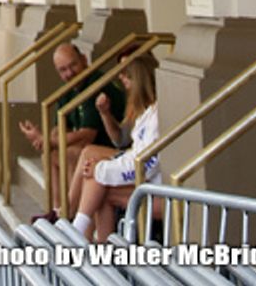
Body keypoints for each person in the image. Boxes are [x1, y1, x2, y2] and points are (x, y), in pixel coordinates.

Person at [17, 41, 127, 215]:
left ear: (84, 59)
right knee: (51, 154)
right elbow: (59, 129)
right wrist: (47, 141)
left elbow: (87, 135)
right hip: (89, 150)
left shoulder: (96, 83)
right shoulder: (69, 88)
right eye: (63, 70)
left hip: (113, 150)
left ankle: (70, 214)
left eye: (73, 65)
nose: (69, 73)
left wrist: (48, 141)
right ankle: (56, 211)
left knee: (70, 152)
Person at [70, 53, 161, 239]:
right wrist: (102, 168)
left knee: (98, 178)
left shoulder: (157, 115)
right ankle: (88, 241)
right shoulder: (145, 112)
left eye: (127, 75)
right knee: (97, 176)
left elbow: (146, 165)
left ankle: (75, 232)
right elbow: (127, 147)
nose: (121, 78)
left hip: (159, 189)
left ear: (140, 80)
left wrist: (102, 169)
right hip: (145, 181)